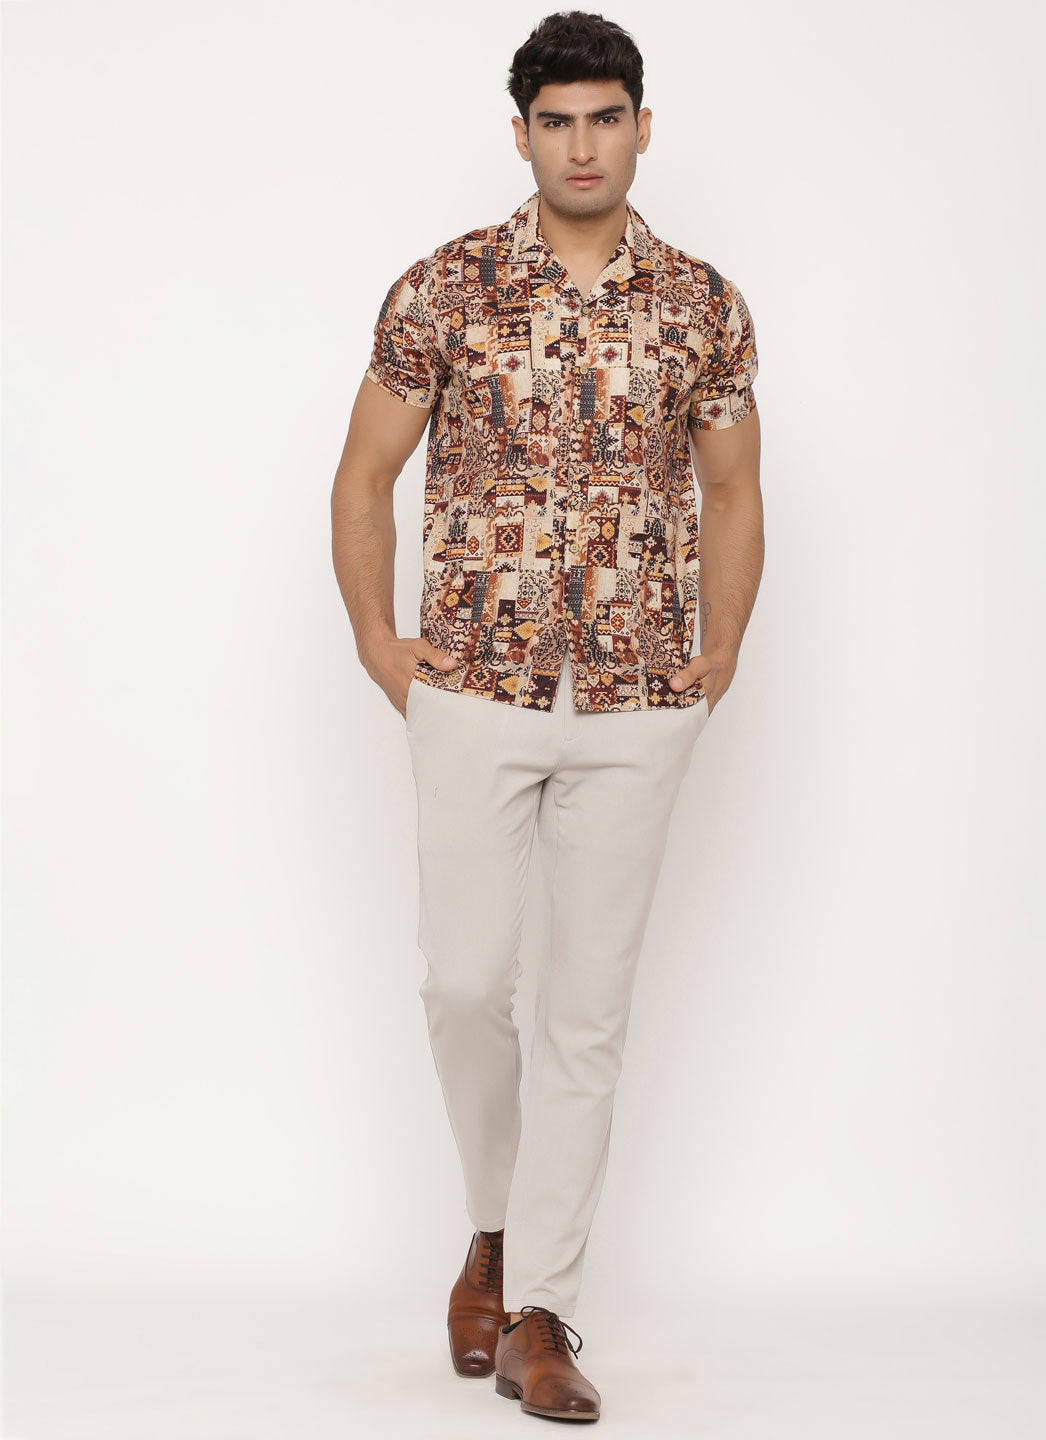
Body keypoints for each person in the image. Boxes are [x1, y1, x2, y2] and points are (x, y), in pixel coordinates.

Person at [331, 9, 763, 1423]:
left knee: (588, 1016)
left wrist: (717, 659)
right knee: (465, 987)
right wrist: (382, 646)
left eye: (606, 118)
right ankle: (493, 1228)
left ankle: (540, 1314)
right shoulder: (444, 289)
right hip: (474, 684)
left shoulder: (701, 304)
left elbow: (733, 488)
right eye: (558, 122)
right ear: (520, 135)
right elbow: (365, 474)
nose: (584, 146)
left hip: (637, 699)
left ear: (643, 127)